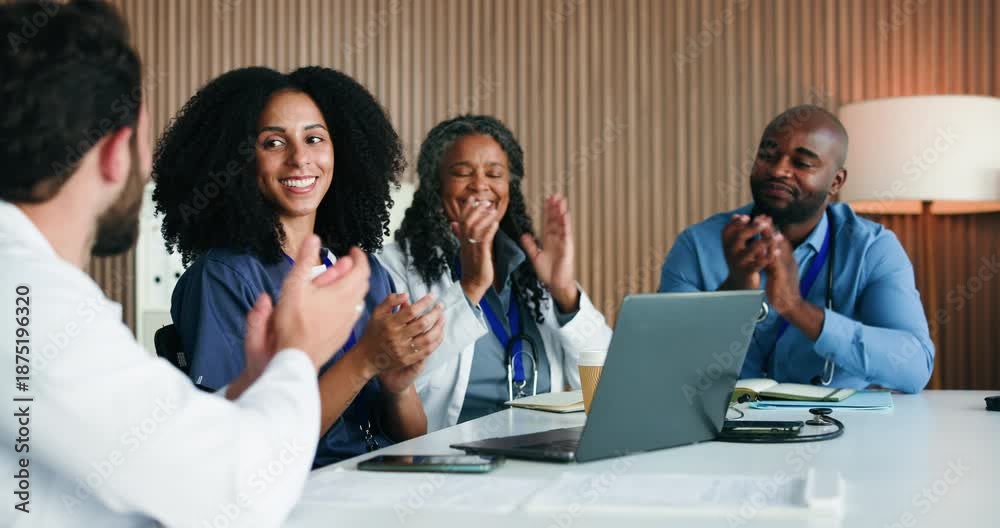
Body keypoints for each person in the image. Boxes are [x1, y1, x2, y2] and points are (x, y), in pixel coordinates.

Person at [0, 1, 372, 526]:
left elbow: (161, 445)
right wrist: (299, 356)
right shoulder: (35, 304)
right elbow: (236, 495)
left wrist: (255, 382)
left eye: (314, 137)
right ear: (117, 150)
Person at [153, 66, 441, 467]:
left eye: (314, 138)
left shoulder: (364, 272)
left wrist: (398, 389)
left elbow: (413, 438)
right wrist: (364, 360)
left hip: (378, 483)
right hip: (295, 492)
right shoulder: (223, 279)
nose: (300, 158)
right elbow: (244, 447)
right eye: (273, 142)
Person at [658, 104, 934, 394]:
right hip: (724, 420)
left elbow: (915, 368)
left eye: (802, 163)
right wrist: (734, 292)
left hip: (837, 420)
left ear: (836, 181)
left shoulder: (871, 250)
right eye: (767, 156)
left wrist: (796, 308)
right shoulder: (698, 246)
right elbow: (664, 365)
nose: (778, 170)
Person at [380, 115, 612, 431]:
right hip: (447, 454)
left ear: (509, 187)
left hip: (541, 449)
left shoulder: (531, 271)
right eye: (462, 173)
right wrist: (471, 287)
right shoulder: (394, 267)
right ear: (435, 184)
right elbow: (398, 381)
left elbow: (606, 383)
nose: (480, 185)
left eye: (494, 174)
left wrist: (565, 293)